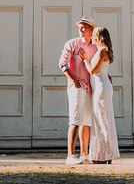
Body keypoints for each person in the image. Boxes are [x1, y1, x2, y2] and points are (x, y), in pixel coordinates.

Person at [58, 16, 95, 165]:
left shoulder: (96, 46)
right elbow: (62, 63)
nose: (81, 29)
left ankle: (84, 154)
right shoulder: (72, 44)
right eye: (80, 27)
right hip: (77, 88)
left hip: (90, 89)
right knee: (75, 121)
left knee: (86, 122)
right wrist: (74, 81)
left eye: (84, 27)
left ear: (91, 29)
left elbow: (96, 65)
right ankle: (70, 155)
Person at [85, 25, 119, 163]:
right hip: (104, 85)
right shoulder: (104, 51)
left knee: (101, 121)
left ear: (99, 37)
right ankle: (105, 154)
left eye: (94, 35)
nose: (92, 37)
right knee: (104, 120)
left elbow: (92, 70)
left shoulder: (101, 51)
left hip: (101, 88)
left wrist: (84, 59)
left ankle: (104, 155)